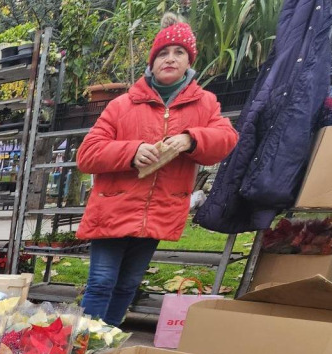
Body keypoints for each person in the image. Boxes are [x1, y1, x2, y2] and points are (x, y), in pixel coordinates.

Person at [75, 14, 237, 327]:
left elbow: (227, 139)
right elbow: (87, 154)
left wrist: (191, 138)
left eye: (179, 53)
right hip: (114, 208)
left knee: (127, 284)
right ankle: (82, 348)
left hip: (159, 211)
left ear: (189, 61)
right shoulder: (123, 105)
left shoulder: (205, 105)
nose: (170, 59)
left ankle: (105, 340)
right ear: (152, 61)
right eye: (163, 53)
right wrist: (131, 151)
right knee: (101, 282)